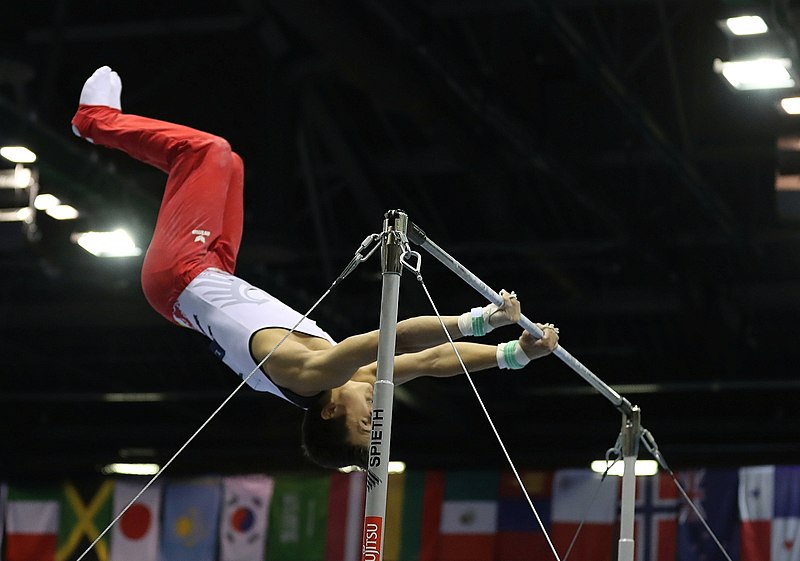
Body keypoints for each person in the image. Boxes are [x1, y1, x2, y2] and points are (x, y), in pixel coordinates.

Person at [71, 66, 560, 469]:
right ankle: (147, 152)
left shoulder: (309, 373)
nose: (376, 410)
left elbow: (393, 337)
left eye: (366, 420)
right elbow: (431, 362)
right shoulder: (348, 380)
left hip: (179, 276)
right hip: (212, 275)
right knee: (232, 164)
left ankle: (93, 120)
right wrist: (511, 354)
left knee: (207, 152)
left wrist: (482, 319)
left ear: (329, 411)